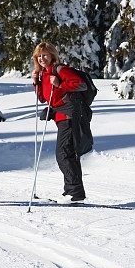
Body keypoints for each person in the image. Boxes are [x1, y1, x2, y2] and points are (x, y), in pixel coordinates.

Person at [31, 41, 87, 203]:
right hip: (61, 118)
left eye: (45, 55)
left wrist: (60, 84)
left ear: (52, 55)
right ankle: (73, 192)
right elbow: (42, 98)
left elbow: (80, 84)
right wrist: (36, 82)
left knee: (63, 154)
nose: (42, 58)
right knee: (67, 154)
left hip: (69, 116)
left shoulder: (60, 70)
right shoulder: (44, 74)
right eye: (39, 56)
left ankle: (74, 193)